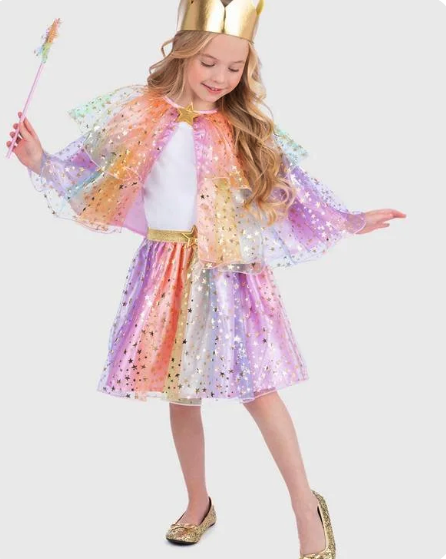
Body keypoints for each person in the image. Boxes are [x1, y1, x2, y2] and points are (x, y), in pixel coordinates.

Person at [6, 0, 406, 556]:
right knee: (181, 391)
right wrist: (40, 161)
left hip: (230, 271)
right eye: (209, 63)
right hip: (164, 270)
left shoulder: (244, 129)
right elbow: (92, 176)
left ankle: (304, 504)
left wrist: (350, 220)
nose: (220, 77)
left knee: (258, 390)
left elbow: (293, 189)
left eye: (234, 67)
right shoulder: (142, 114)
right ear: (183, 55)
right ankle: (199, 502)